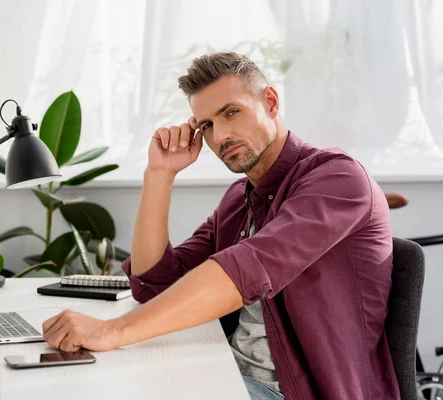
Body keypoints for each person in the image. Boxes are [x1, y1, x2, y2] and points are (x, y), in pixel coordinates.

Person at [42, 52, 399, 400]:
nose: (220, 136)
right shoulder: (238, 199)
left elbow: (246, 268)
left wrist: (112, 332)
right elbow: (154, 285)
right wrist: (159, 174)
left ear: (270, 102)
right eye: (207, 125)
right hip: (226, 372)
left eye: (232, 112)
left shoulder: (338, 177)